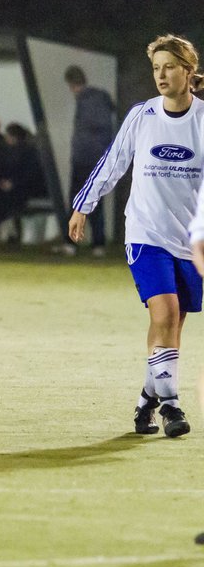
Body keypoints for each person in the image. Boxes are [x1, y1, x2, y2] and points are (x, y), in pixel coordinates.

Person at [70, 33, 204, 439]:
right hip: (146, 233)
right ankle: (172, 405)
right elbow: (113, 162)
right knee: (163, 314)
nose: (161, 76)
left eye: (169, 67)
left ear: (188, 71)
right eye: (156, 68)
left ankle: (147, 399)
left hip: (190, 241)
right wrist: (82, 206)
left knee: (172, 325)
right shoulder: (142, 116)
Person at [64, 65, 118, 257]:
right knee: (95, 201)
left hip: (85, 159)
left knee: (77, 201)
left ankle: (72, 243)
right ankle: (98, 244)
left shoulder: (86, 101)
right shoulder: (101, 99)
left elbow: (89, 130)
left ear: (71, 84)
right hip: (98, 159)